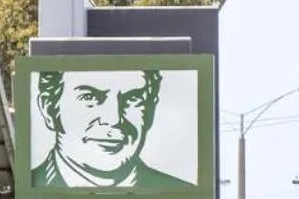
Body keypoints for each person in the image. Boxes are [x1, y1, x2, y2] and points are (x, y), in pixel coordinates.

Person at [31, 68, 189, 189]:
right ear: (49, 109)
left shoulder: (183, 196)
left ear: (150, 110)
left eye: (132, 98)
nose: (114, 119)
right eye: (90, 97)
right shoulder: (25, 193)